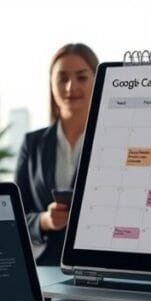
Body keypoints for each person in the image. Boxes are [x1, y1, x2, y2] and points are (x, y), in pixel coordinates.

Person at [15, 43, 99, 266]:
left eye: (81, 77)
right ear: (51, 83)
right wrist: (44, 220)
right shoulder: (32, 144)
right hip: (46, 271)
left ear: (97, 80)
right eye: (62, 78)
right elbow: (15, 217)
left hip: (97, 269)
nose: (71, 87)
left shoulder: (113, 144)